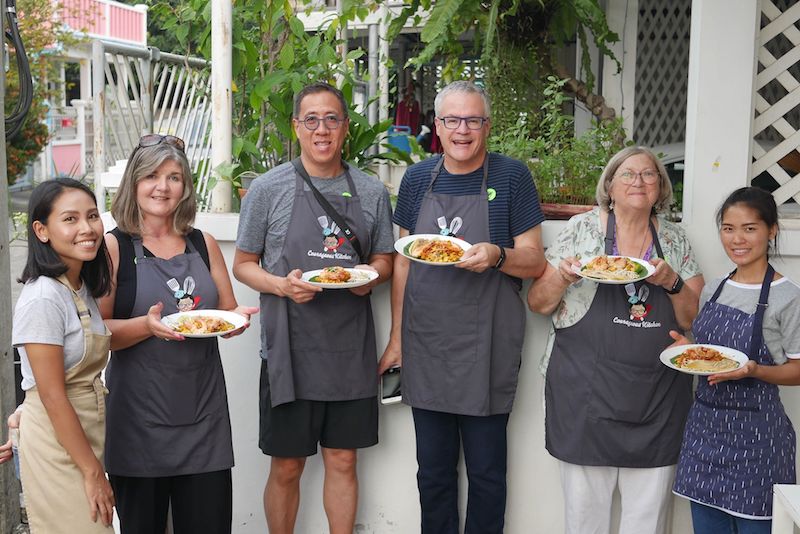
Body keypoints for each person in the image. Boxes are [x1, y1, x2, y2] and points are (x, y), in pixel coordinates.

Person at [378, 80, 547, 533]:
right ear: (437, 126)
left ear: (487, 126)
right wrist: (396, 339)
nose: (463, 130)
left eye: (473, 119)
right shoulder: (417, 178)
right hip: (427, 344)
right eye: (453, 120)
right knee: (432, 474)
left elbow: (534, 261)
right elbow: (402, 264)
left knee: (488, 475)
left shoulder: (512, 176)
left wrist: (497, 254)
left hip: (486, 345)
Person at [233, 82, 394, 534]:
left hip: (348, 349)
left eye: (331, 119)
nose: (322, 129)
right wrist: (281, 287)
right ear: (296, 127)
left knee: (343, 459)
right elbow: (243, 266)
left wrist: (369, 279)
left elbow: (384, 258)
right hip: (288, 351)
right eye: (312, 120)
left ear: (345, 126)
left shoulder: (370, 191)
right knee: (287, 466)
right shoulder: (267, 189)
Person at [527, 146, 704, 534]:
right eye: (628, 174)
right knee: (585, 517)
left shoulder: (674, 240)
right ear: (609, 184)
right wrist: (563, 277)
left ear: (661, 186)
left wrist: (671, 282)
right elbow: (539, 303)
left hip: (657, 397)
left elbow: (692, 318)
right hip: (585, 390)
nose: (638, 182)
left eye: (649, 175)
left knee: (647, 519)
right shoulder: (581, 230)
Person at [98, 135, 257, 534]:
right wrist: (146, 327)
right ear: (134, 182)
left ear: (185, 186)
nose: (162, 187)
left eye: (173, 177)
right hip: (138, 422)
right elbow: (98, 333)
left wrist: (236, 318)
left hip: (204, 418)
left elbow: (225, 309)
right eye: (152, 175)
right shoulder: (113, 247)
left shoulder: (202, 244)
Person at [672, 186, 800, 534]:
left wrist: (756, 370)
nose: (737, 239)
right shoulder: (715, 288)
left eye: (749, 228)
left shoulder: (787, 297)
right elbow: (708, 350)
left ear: (771, 230)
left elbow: (798, 370)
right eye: (728, 228)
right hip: (704, 434)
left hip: (756, 443)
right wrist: (688, 347)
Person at [12, 177, 115, 532]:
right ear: (41, 231)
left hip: (84, 436)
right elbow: (52, 395)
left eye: (92, 216)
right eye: (70, 219)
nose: (87, 228)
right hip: (58, 446)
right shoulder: (43, 297)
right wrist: (92, 473)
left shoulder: (78, 286)